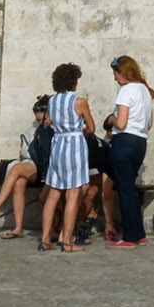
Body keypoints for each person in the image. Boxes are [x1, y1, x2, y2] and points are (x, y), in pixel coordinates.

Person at [40, 63, 96, 252]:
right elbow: (92, 127)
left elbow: (49, 122)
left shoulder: (52, 101)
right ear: (73, 81)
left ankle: (45, 238)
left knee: (53, 194)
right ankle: (67, 241)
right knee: (73, 193)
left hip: (57, 145)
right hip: (74, 146)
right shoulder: (79, 102)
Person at [0, 97, 51, 237]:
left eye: (42, 119)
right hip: (31, 167)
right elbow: (25, 154)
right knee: (19, 183)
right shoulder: (30, 131)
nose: (40, 123)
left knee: (16, 169)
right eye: (38, 120)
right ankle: (18, 228)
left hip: (44, 169)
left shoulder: (52, 130)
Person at [109, 54, 154, 246]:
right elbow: (149, 123)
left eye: (116, 73)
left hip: (124, 142)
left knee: (124, 190)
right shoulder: (145, 90)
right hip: (140, 142)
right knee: (130, 188)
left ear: (123, 72)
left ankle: (129, 237)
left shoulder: (126, 90)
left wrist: (110, 119)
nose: (115, 77)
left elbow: (121, 123)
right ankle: (139, 233)